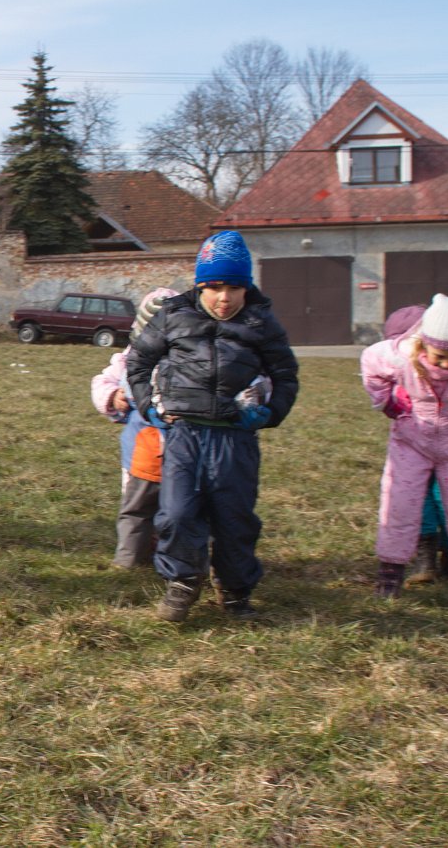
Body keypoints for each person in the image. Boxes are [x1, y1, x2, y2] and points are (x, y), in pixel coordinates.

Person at [126, 230, 299, 622]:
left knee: (233, 515)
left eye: (235, 287)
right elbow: (138, 363)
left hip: (235, 437)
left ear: (246, 287)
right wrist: (148, 406)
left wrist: (270, 413)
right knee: (177, 512)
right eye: (215, 287)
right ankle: (183, 582)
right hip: (183, 434)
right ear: (201, 284)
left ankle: (236, 591)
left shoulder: (261, 322)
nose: (225, 298)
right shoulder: (173, 315)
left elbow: (286, 375)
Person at [360, 294, 448, 599]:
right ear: (422, 345)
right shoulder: (402, 356)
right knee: (398, 503)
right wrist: (388, 400)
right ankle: (391, 570)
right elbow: (370, 361)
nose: (446, 363)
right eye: (438, 355)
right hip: (410, 442)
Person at [90, 288, 176, 570]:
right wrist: (112, 397)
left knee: (177, 509)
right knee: (135, 508)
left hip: (180, 452)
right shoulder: (126, 361)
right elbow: (101, 383)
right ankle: (130, 559)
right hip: (138, 454)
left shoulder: (187, 360)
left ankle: (169, 555)